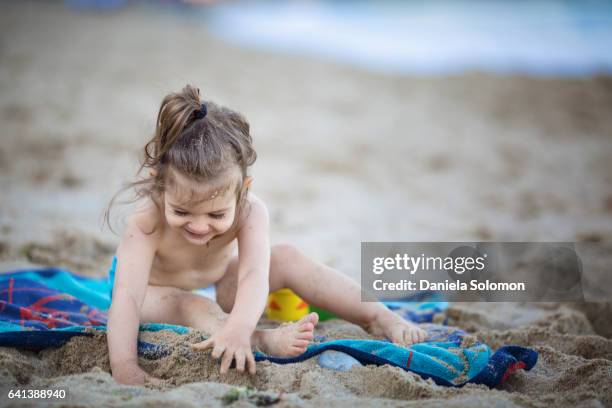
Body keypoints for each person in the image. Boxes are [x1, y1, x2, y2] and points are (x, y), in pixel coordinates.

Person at [105, 85, 428, 386]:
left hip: (218, 283)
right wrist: (124, 366)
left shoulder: (251, 211)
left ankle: (378, 315)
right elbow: (127, 297)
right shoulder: (147, 219)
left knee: (285, 257)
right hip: (154, 294)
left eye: (216, 215)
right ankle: (262, 340)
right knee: (193, 305)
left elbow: (253, 276)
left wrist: (238, 323)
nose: (200, 226)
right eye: (183, 212)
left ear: (242, 191)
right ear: (160, 187)